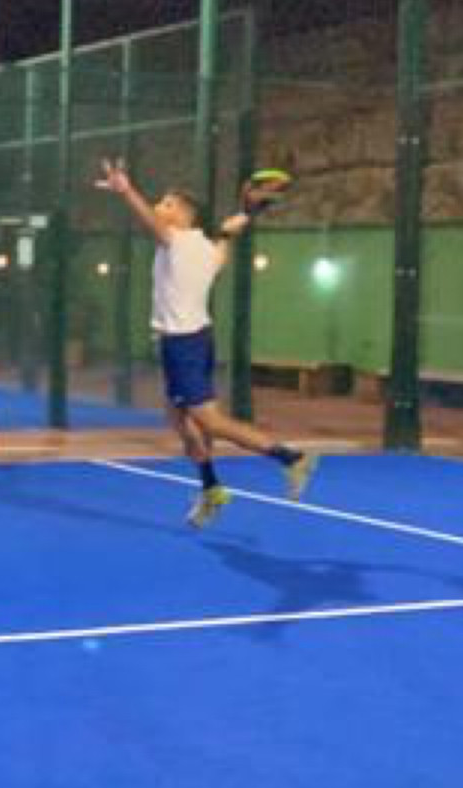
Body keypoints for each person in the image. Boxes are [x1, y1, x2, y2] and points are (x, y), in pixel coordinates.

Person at [95, 159, 318, 527]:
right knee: (178, 419)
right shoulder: (208, 249)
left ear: (185, 216)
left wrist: (126, 190)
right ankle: (212, 488)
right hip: (193, 341)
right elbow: (227, 237)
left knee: (210, 422)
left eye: (167, 204)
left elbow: (151, 221)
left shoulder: (177, 241)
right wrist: (241, 221)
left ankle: (292, 458)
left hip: (183, 345)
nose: (159, 207)